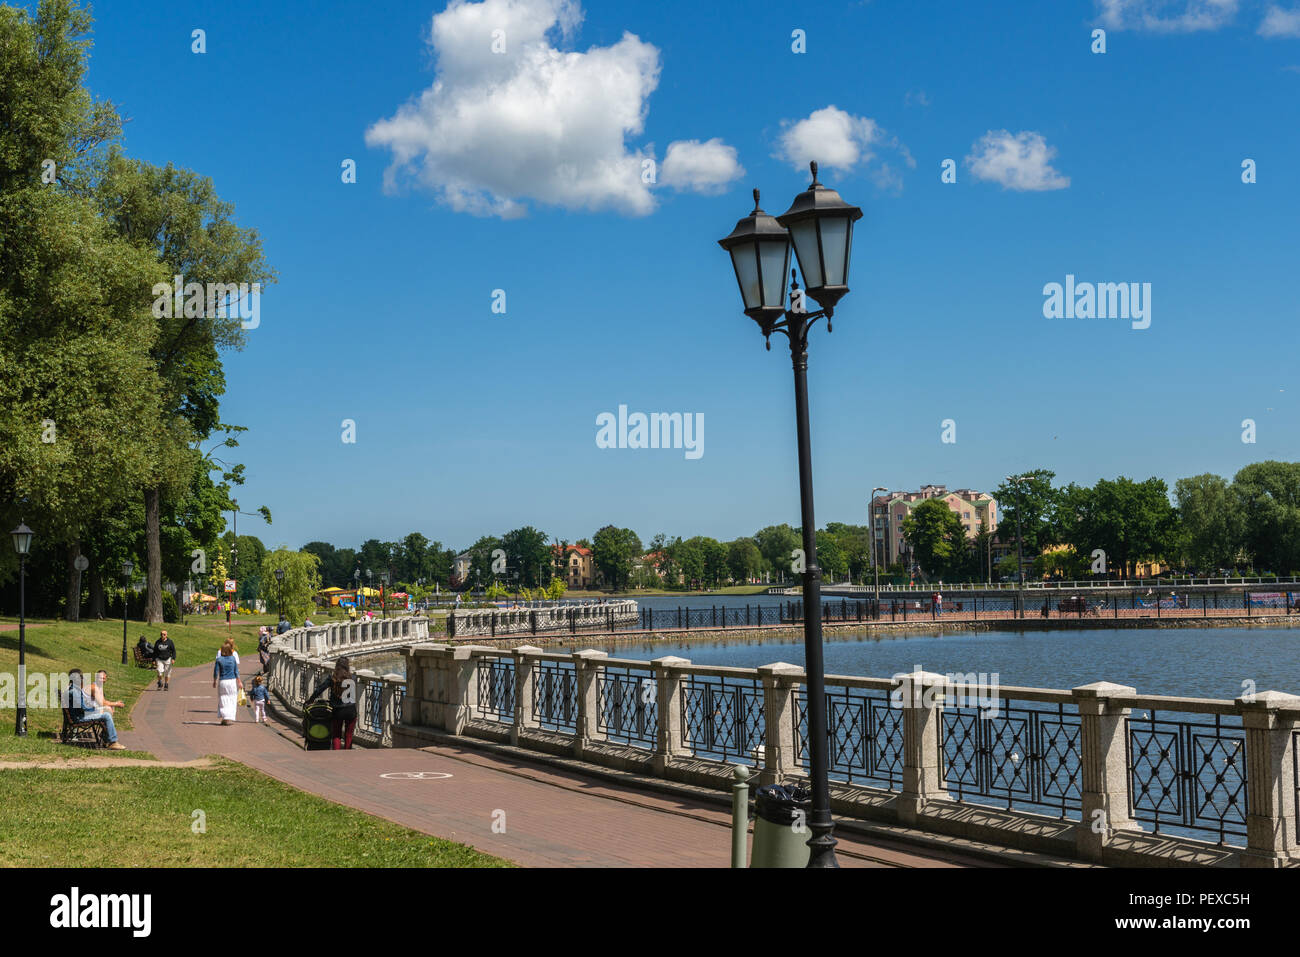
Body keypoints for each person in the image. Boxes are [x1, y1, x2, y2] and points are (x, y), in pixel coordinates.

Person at [66, 670, 127, 750]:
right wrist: (93, 709)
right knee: (107, 715)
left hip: (79, 715)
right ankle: (112, 742)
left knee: (106, 712)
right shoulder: (74, 691)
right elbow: (83, 708)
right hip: (79, 717)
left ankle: (107, 737)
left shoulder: (73, 689)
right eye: (82, 678)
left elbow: (82, 706)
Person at [305, 657, 357, 750]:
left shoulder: (332, 678)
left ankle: (336, 755)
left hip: (338, 710)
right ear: (347, 666)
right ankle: (348, 754)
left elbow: (319, 689)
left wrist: (311, 700)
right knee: (348, 735)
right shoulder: (353, 677)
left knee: (336, 735)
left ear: (337, 666)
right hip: (351, 710)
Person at [213, 640, 240, 725]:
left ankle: (224, 717)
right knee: (232, 698)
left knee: (223, 698)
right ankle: (229, 717)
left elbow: (216, 671)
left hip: (223, 681)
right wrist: (239, 681)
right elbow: (236, 671)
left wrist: (214, 681)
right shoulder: (233, 658)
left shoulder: (219, 660)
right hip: (232, 681)